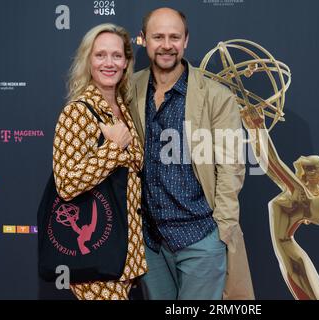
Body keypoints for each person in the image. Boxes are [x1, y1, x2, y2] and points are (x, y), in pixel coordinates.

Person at [129, 7, 254, 300]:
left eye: (174, 37)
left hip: (200, 238)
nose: (166, 45)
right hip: (151, 242)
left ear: (186, 41)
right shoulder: (130, 89)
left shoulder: (216, 97)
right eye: (158, 37)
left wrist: (220, 232)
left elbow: (232, 167)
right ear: (143, 40)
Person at [52, 23, 147, 300]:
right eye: (100, 55)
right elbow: (66, 184)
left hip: (125, 256)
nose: (109, 63)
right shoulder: (76, 112)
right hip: (95, 255)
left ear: (126, 62)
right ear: (88, 60)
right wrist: (113, 149)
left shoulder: (123, 109)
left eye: (117, 56)